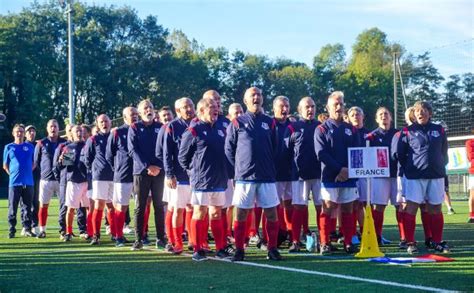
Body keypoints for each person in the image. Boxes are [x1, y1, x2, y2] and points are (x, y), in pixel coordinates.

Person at [225, 86, 282, 261]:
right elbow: (229, 149)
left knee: (271, 213)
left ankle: (272, 248)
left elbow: (276, 148)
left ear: (262, 99)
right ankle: (239, 250)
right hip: (244, 177)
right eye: (252, 95)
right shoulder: (237, 122)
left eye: (259, 95)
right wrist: (238, 170)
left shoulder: (270, 122)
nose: (256, 98)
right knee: (241, 213)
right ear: (246, 100)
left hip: (266, 176)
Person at [179, 98, 232, 261]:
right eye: (212, 107)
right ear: (201, 111)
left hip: (219, 179)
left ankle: (220, 248)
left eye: (217, 107)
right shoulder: (193, 131)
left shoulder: (222, 129)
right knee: (200, 212)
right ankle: (197, 248)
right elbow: (183, 158)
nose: (216, 110)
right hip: (201, 181)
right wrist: (195, 172)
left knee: (216, 213)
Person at [397, 101, 449, 254]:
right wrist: (410, 169)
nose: (421, 113)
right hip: (415, 176)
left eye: (424, 110)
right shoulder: (407, 131)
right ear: (414, 114)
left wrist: (439, 165)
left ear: (430, 113)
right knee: (411, 208)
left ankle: (437, 241)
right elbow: (400, 154)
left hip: (436, 175)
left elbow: (444, 152)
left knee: (435, 208)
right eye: (418, 111)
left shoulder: (439, 130)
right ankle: (411, 242)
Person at [314, 91, 359, 255]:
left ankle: (348, 242)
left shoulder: (351, 130)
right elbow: (321, 154)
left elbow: (357, 152)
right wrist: (339, 169)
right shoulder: (321, 129)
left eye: (341, 104)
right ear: (328, 107)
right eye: (335, 104)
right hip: (329, 176)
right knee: (328, 208)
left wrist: (347, 170)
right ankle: (325, 242)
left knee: (348, 209)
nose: (339, 107)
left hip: (349, 176)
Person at [285, 97, 321, 253]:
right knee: (299, 207)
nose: (310, 110)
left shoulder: (321, 127)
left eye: (312, 106)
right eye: (307, 107)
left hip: (320, 174)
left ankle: (325, 240)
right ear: (299, 110)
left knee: (323, 207)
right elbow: (285, 151)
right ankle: (295, 241)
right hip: (299, 175)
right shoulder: (293, 127)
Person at [128, 99, 166, 251]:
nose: (148, 110)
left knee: (159, 206)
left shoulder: (161, 127)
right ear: (140, 112)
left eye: (150, 107)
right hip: (140, 173)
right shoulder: (134, 127)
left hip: (158, 172)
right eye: (145, 108)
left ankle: (161, 238)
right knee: (140, 207)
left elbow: (166, 149)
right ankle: (138, 239)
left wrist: (159, 166)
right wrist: (147, 166)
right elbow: (133, 150)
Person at [163, 97, 196, 254]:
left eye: (191, 105)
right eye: (185, 107)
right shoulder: (172, 126)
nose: (189, 108)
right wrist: (169, 174)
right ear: (178, 111)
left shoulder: (199, 123)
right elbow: (166, 153)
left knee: (193, 209)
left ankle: (194, 240)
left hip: (197, 176)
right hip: (179, 176)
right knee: (178, 209)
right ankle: (176, 242)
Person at [106, 107, 138, 247]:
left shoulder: (141, 130)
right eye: (132, 115)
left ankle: (142, 235)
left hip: (139, 174)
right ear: (124, 117)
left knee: (141, 206)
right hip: (123, 175)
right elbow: (109, 155)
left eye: (137, 114)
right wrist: (117, 168)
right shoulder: (117, 132)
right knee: (121, 207)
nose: (135, 117)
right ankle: (118, 235)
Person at [367, 107, 399, 244]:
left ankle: (405, 238)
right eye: (380, 114)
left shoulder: (398, 133)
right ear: (376, 118)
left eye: (386, 114)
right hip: (380, 176)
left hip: (397, 175)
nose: (383, 116)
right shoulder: (371, 136)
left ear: (390, 117)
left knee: (400, 206)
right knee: (379, 206)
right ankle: (377, 236)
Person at [83, 114, 114, 245]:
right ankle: (96, 235)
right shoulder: (93, 139)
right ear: (97, 124)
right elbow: (87, 160)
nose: (104, 124)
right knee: (99, 205)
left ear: (110, 122)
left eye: (106, 121)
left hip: (115, 176)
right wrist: (96, 170)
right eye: (101, 122)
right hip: (100, 177)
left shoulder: (115, 136)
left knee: (113, 207)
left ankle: (116, 234)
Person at [34, 119, 66, 238]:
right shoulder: (41, 143)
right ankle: (42, 230)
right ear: (47, 128)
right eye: (51, 126)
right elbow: (36, 162)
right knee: (43, 205)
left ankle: (63, 230)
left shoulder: (65, 142)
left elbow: (68, 161)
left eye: (55, 126)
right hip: (46, 180)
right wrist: (45, 172)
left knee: (64, 206)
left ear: (58, 128)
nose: (53, 128)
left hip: (61, 180)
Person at [56, 125, 89, 241]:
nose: (80, 133)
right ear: (72, 134)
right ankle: (68, 232)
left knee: (88, 208)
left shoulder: (88, 145)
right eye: (77, 131)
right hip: (73, 181)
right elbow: (65, 166)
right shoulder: (69, 147)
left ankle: (89, 231)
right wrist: (61, 161)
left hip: (87, 182)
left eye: (81, 131)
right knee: (70, 208)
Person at [3, 124, 36, 238]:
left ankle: (27, 229)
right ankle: (11, 230)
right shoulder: (8, 147)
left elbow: (34, 162)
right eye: (17, 131)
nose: (20, 133)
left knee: (27, 207)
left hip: (28, 182)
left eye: (21, 131)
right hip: (14, 183)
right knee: (13, 207)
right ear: (13, 133)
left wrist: (27, 172)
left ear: (24, 133)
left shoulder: (30, 147)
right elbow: (5, 165)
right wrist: (12, 174)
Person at [271, 96, 294, 248]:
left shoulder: (294, 125)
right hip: (274, 173)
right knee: (274, 205)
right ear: (274, 108)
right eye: (281, 106)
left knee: (290, 203)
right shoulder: (269, 124)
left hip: (292, 172)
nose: (284, 109)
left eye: (286, 106)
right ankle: (276, 235)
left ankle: (291, 234)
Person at [347, 106, 369, 244]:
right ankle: (351, 233)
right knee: (352, 204)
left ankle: (367, 231)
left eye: (358, 114)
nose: (356, 116)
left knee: (366, 203)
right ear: (348, 117)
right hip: (350, 172)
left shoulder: (369, 134)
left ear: (363, 116)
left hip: (366, 174)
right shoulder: (347, 132)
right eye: (353, 114)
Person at [156, 106, 175, 251]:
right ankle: (170, 238)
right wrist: (169, 170)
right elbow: (159, 153)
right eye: (164, 116)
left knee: (188, 207)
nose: (167, 117)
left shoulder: (180, 126)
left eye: (169, 115)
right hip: (170, 174)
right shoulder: (163, 130)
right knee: (171, 207)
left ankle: (185, 236)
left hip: (187, 175)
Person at [24, 125, 40, 234]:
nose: (31, 133)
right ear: (25, 134)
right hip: (25, 177)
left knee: (35, 202)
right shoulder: (22, 145)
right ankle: (25, 226)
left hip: (36, 177)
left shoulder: (38, 145)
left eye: (33, 131)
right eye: (29, 131)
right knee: (25, 203)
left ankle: (35, 225)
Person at [466, 138, 474, 223]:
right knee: (473, 195)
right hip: (473, 171)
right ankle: (472, 215)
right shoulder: (470, 142)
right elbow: (471, 156)